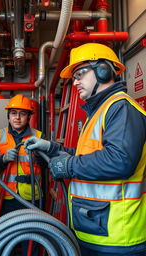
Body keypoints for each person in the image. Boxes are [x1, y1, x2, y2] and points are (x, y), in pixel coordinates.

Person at [24, 43, 146, 256]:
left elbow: (120, 160)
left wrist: (68, 165)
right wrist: (53, 148)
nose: (76, 82)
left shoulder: (121, 108)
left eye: (80, 73)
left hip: (119, 236)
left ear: (103, 70)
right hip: (98, 227)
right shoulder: (100, 111)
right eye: (74, 77)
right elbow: (88, 156)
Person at [0, 94, 46, 256]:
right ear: (8, 115)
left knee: (32, 237)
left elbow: (47, 165)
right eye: (14, 113)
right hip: (4, 197)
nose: (18, 117)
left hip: (31, 197)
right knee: (6, 237)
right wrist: (3, 159)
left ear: (29, 116)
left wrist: (37, 155)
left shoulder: (39, 137)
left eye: (22, 113)